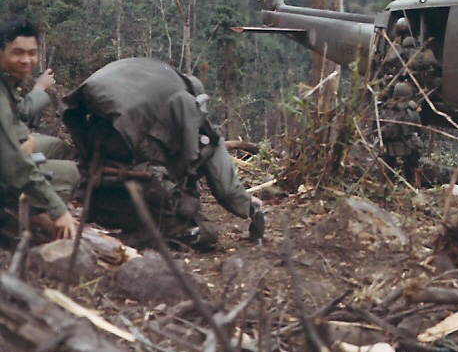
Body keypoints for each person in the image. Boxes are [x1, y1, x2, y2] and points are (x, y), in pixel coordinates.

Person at [62, 57, 262, 248]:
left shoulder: (115, 121)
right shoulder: (201, 139)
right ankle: (132, 240)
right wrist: (249, 206)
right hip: (143, 203)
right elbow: (227, 191)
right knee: (207, 231)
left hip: (98, 202)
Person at [0, 16, 79, 239]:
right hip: (6, 173)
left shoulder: (6, 80)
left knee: (55, 146)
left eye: (32, 53)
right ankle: (26, 220)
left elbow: (16, 114)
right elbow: (15, 166)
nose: (26, 60)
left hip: (9, 158)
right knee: (71, 173)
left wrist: (26, 138)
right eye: (17, 52)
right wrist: (58, 209)